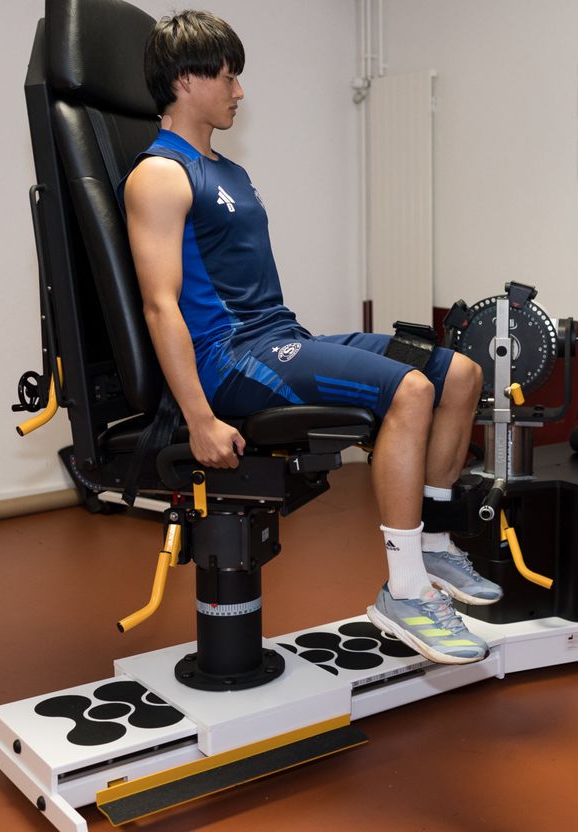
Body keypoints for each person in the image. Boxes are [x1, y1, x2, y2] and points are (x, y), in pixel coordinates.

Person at [121, 10, 500, 666]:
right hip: (231, 359)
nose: (239, 91)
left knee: (459, 373)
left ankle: (435, 547)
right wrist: (199, 416)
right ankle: (404, 588)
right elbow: (160, 306)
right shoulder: (159, 175)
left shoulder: (230, 173)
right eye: (227, 76)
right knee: (410, 391)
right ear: (185, 80)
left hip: (280, 337)